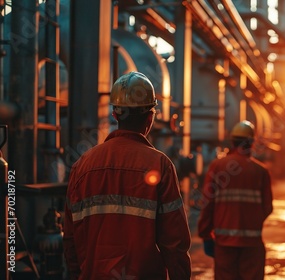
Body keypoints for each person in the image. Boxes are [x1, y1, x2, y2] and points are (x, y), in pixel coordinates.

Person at [63, 72, 191, 279]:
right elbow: (174, 241)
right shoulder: (160, 165)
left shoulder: (82, 165)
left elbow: (70, 236)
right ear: (150, 117)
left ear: (115, 115)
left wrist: (78, 273)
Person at [198, 120, 273, 280]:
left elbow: (207, 203)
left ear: (232, 141)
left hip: (224, 244)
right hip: (252, 244)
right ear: (252, 143)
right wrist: (251, 222)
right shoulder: (261, 171)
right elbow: (268, 208)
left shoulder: (217, 166)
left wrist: (205, 234)